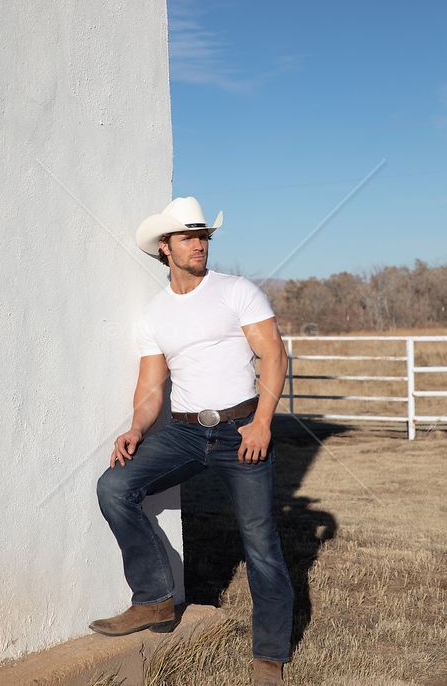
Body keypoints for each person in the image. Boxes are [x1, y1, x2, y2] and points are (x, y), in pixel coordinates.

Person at [89, 197, 293, 686]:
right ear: (165, 247)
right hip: (182, 432)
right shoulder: (155, 314)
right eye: (188, 237)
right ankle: (153, 598)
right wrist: (137, 429)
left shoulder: (236, 291)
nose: (199, 244)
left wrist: (263, 422)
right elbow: (150, 386)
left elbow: (274, 356)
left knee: (260, 542)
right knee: (114, 488)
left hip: (241, 429)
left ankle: (269, 654)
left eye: (203, 236)